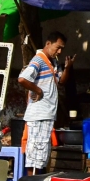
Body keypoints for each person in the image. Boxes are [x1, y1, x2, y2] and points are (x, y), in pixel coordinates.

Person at [17, 32, 69, 172]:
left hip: (48, 113)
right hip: (38, 114)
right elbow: (22, 79)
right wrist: (38, 91)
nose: (59, 51)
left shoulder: (53, 62)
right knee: (34, 150)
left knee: (42, 151)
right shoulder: (38, 60)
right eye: (57, 47)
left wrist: (68, 67)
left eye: (62, 49)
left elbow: (61, 82)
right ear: (48, 44)